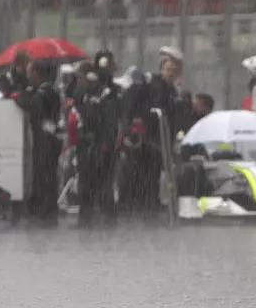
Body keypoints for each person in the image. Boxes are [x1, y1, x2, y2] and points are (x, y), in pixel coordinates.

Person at [121, 47, 182, 214]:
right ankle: (136, 205)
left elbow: (173, 116)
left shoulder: (172, 92)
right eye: (168, 70)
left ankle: (149, 204)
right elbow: (130, 105)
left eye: (174, 71)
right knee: (138, 174)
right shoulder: (148, 85)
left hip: (160, 141)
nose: (171, 74)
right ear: (161, 69)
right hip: (144, 140)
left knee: (153, 176)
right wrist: (135, 121)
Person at [75, 54, 122, 227]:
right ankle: (86, 218)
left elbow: (110, 124)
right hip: (87, 148)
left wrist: (105, 147)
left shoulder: (106, 95)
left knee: (104, 188)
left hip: (101, 148)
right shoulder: (84, 94)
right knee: (85, 188)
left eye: (81, 78)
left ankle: (108, 220)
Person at [15, 60, 62, 225]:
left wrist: (26, 95)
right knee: (42, 175)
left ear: (36, 73)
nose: (28, 77)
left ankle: (46, 211)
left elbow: (33, 106)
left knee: (45, 176)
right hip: (44, 139)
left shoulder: (46, 91)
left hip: (46, 140)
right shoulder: (44, 90)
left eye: (29, 73)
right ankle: (44, 209)